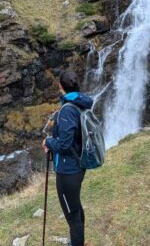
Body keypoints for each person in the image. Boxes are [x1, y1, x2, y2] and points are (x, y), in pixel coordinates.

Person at [42, 70, 93, 246]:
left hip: (68, 169)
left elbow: (64, 145)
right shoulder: (80, 103)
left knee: (72, 215)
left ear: (60, 87)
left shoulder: (67, 110)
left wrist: (49, 141)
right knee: (75, 207)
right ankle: (79, 241)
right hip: (78, 164)